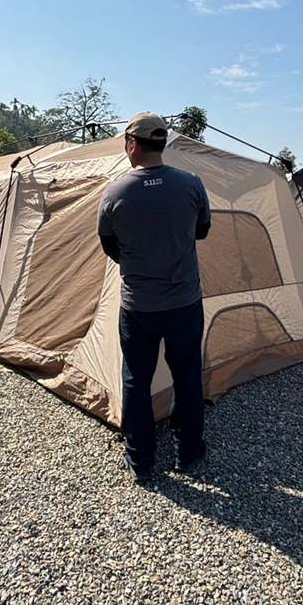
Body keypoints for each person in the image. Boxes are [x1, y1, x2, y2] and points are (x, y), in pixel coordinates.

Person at [97, 113, 211, 482]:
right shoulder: (191, 184)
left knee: (136, 379)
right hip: (185, 301)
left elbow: (108, 245)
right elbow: (202, 231)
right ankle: (189, 453)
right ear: (163, 144)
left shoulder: (115, 192)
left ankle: (141, 460)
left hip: (139, 304)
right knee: (188, 376)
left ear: (132, 143)